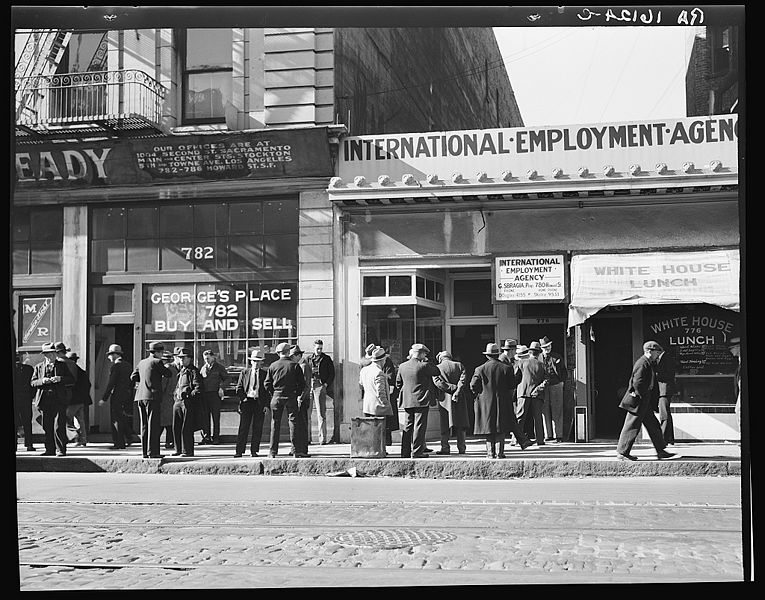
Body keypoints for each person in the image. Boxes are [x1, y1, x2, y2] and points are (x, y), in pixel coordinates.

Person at [616, 341, 678, 461]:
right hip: (639, 400)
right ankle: (622, 452)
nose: (657, 354)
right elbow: (637, 382)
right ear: (649, 351)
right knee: (631, 426)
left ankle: (661, 450)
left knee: (653, 425)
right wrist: (642, 396)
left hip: (644, 401)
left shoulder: (648, 363)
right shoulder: (642, 363)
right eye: (656, 352)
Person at [471, 343, 532, 458]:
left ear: (487, 356)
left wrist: (480, 394)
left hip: (485, 402)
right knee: (500, 427)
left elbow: (473, 385)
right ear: (497, 354)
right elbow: (511, 385)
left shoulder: (479, 369)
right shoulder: (506, 368)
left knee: (488, 427)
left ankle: (490, 453)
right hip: (502, 401)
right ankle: (500, 453)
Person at [395, 343, 447, 458]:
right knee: (419, 425)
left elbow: (398, 383)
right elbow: (437, 371)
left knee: (408, 426)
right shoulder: (424, 365)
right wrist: (427, 361)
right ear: (422, 354)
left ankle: (405, 452)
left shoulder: (402, 366)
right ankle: (417, 452)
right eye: (424, 354)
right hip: (421, 399)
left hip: (407, 400)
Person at [30, 342, 74, 456]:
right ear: (45, 355)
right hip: (44, 400)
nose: (52, 356)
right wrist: (42, 381)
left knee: (59, 425)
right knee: (47, 426)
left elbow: (71, 379)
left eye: (54, 354)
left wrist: (60, 379)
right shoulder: (38, 367)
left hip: (59, 399)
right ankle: (49, 450)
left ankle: (61, 450)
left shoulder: (62, 365)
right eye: (49, 354)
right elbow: (32, 383)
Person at [131, 341, 172, 459]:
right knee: (153, 425)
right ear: (158, 352)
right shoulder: (157, 362)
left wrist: (144, 379)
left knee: (144, 425)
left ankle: (145, 451)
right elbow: (168, 373)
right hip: (152, 397)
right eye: (162, 352)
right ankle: (153, 452)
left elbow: (133, 377)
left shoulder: (142, 362)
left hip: (140, 396)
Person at [264, 342, 306, 458]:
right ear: (288, 352)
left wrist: (274, 393)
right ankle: (295, 450)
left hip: (276, 397)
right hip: (291, 396)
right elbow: (302, 384)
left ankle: (272, 451)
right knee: (293, 423)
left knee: (275, 424)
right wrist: (296, 393)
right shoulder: (294, 365)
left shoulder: (273, 366)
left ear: (278, 353)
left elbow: (267, 384)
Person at [234, 349, 271, 458]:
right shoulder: (245, 372)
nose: (256, 363)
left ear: (261, 363)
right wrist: (243, 398)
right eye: (254, 361)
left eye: (258, 361)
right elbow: (239, 388)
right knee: (243, 427)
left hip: (259, 402)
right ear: (251, 362)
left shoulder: (264, 373)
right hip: (247, 402)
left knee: (257, 428)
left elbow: (268, 390)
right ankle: (239, 451)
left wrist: (265, 404)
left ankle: (254, 450)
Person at [434, 350, 470, 455]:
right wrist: (457, 390)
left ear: (441, 358)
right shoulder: (459, 365)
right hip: (459, 397)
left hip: (444, 398)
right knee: (461, 422)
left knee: (445, 423)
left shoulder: (437, 368)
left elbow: (438, 383)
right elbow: (463, 380)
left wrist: (451, 388)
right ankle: (461, 448)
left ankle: (445, 447)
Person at [360, 346, 395, 453]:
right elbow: (381, 392)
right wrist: (386, 404)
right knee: (380, 430)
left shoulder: (364, 370)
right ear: (382, 360)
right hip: (378, 407)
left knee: (370, 430)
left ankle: (371, 450)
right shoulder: (379, 373)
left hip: (367, 405)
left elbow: (361, 384)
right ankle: (379, 450)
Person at [99, 344, 134, 450]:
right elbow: (132, 381)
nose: (109, 357)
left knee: (116, 419)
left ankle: (119, 443)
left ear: (114, 355)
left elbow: (111, 383)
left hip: (117, 395)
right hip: (127, 395)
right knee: (122, 417)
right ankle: (128, 437)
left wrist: (104, 398)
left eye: (110, 354)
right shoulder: (128, 365)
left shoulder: (115, 366)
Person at [172, 348, 202, 457]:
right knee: (176, 427)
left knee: (186, 427)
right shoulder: (181, 371)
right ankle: (178, 449)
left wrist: (188, 396)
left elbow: (198, 388)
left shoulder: (193, 371)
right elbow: (177, 386)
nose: (181, 360)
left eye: (183, 357)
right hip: (178, 402)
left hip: (187, 402)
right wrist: (176, 395)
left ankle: (187, 451)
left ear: (189, 358)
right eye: (180, 358)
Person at [515, 344, 547, 445]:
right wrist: (538, 389)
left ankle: (516, 439)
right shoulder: (542, 365)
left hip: (523, 392)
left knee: (520, 417)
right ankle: (540, 440)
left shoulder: (521, 363)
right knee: (538, 418)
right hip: (537, 394)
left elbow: (516, 377)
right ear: (539, 353)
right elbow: (547, 380)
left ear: (529, 352)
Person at [539, 336, 568, 444]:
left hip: (556, 384)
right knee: (544, 410)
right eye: (545, 346)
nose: (548, 348)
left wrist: (561, 382)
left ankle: (558, 435)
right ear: (541, 348)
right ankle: (548, 435)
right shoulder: (538, 358)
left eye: (549, 345)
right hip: (543, 386)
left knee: (557, 409)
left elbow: (564, 371)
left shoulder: (557, 357)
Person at [306, 339, 335, 445]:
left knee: (321, 413)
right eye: (317, 348)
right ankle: (307, 438)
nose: (319, 350)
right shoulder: (308, 358)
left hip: (320, 384)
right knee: (307, 412)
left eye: (321, 348)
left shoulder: (326, 358)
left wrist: (325, 384)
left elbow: (332, 373)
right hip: (310, 384)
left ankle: (322, 439)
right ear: (313, 347)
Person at [198, 349, 229, 445]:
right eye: (205, 359)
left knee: (215, 417)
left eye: (208, 358)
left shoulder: (219, 367)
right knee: (205, 417)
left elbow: (228, 379)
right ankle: (206, 437)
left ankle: (216, 438)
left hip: (215, 394)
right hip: (205, 395)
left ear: (213, 357)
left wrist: (221, 387)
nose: (206, 360)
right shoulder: (203, 368)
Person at [65, 351, 92, 447]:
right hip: (82, 400)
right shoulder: (82, 372)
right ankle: (83, 439)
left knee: (64, 418)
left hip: (72, 400)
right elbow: (88, 385)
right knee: (80, 420)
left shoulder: (70, 371)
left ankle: (75, 435)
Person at [290, 345, 313, 457]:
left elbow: (306, 385)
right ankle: (297, 448)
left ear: (298, 355)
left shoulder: (303, 366)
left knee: (301, 424)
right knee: (298, 424)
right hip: (300, 398)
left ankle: (302, 449)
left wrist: (300, 397)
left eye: (293, 356)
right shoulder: (299, 365)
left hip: (302, 399)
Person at [654, 348, 676, 446]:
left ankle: (664, 437)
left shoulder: (667, 358)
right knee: (665, 413)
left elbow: (669, 374)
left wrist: (656, 375)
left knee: (664, 414)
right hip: (663, 389)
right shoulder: (663, 358)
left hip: (665, 389)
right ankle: (669, 438)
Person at [14, 352, 35, 451]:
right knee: (27, 421)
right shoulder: (29, 369)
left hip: (16, 398)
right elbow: (32, 385)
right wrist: (31, 396)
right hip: (26, 398)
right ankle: (29, 444)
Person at [160, 350, 179, 449]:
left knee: (163, 421)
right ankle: (170, 441)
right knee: (169, 422)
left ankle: (168, 441)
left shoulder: (166, 369)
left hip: (164, 398)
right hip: (171, 397)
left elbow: (162, 385)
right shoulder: (174, 369)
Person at [727, 337, 742, 438]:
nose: (730, 350)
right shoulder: (739, 360)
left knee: (740, 412)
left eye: (732, 348)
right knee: (738, 412)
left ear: (738, 348)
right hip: (740, 392)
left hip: (742, 392)